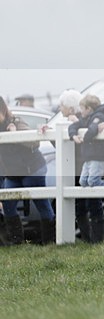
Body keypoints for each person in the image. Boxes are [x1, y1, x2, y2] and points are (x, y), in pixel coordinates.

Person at [0, 96, 56, 244]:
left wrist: (15, 135)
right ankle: (17, 242)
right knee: (8, 205)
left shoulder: (16, 122)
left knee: (42, 204)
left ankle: (49, 242)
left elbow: (34, 142)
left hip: (32, 169)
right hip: (13, 173)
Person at [68, 94, 104, 242]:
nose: (80, 111)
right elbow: (74, 126)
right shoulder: (87, 118)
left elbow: (93, 129)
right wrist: (74, 135)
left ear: (88, 108)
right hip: (90, 157)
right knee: (83, 182)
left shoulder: (98, 115)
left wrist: (84, 139)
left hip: (98, 156)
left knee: (93, 181)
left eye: (82, 108)